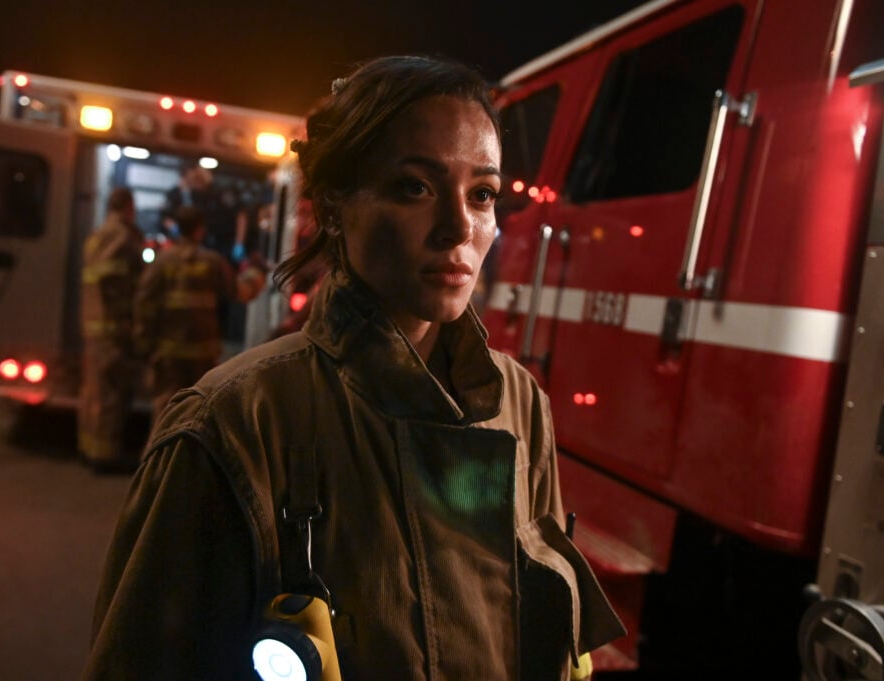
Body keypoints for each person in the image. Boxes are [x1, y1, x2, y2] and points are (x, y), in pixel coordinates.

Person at [83, 55, 624, 680]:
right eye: (415, 187)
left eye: (482, 194)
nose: (458, 229)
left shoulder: (520, 401)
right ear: (336, 205)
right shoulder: (232, 424)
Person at [133, 204, 268, 429]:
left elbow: (143, 303)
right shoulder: (212, 262)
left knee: (164, 414)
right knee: (194, 417)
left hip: (168, 356)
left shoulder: (162, 262)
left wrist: (144, 345)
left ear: (178, 228)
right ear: (200, 230)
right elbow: (240, 292)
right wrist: (257, 274)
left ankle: (155, 461)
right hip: (202, 359)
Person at [78, 186, 144, 474]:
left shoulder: (96, 236)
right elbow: (118, 282)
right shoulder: (123, 237)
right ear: (129, 206)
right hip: (113, 330)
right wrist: (130, 318)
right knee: (112, 395)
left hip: (93, 327)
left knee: (93, 390)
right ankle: (105, 457)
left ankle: (88, 448)